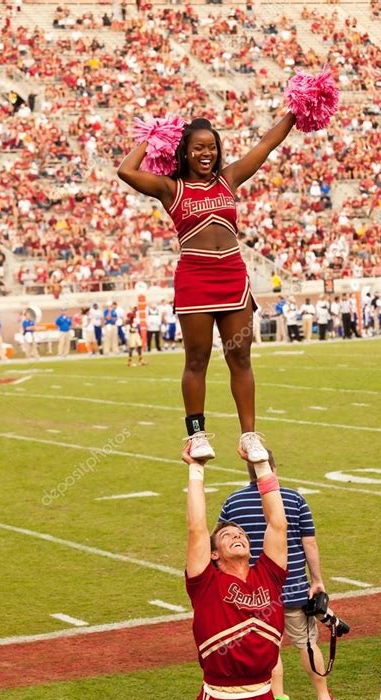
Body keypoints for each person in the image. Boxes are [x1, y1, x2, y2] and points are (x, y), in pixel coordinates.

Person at [118, 112, 297, 462]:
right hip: (195, 279)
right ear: (183, 151)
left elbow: (266, 144)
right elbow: (126, 171)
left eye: (212, 147)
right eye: (198, 147)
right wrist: (154, 137)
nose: (206, 154)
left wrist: (293, 112)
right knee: (197, 359)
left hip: (232, 275)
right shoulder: (171, 188)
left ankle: (249, 436)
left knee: (241, 356)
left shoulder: (228, 179)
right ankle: (197, 434)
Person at [219, 451, 343, 700]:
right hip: (295, 587)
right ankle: (324, 699)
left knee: (269, 649)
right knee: (307, 645)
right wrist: (317, 580)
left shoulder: (233, 501)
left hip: (255, 593)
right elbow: (309, 541)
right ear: (272, 467)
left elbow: (220, 545)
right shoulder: (294, 498)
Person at [182, 440, 288, 700]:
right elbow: (196, 528)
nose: (237, 535)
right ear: (214, 553)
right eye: (228, 536)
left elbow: (277, 523)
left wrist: (262, 464)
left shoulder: (268, 574)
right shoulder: (205, 582)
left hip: (264, 695)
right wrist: (196, 469)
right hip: (221, 698)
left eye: (241, 534)